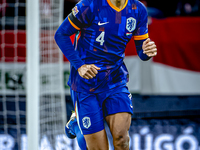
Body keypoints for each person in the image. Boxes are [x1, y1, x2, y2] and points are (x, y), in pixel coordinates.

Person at [54, 0, 157, 149]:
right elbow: (61, 34)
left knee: (122, 140)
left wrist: (147, 52)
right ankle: (77, 125)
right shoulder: (89, 5)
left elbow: (142, 51)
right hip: (86, 83)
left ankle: (80, 124)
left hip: (115, 80)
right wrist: (80, 66)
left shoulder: (138, 9)